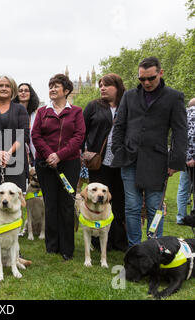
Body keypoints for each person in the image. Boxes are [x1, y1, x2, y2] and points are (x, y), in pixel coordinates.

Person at [111, 57, 187, 247]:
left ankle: (154, 248)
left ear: (160, 73)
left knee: (155, 207)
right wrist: (118, 150)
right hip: (129, 158)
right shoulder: (129, 96)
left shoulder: (174, 97)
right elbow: (119, 126)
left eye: (150, 78)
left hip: (157, 161)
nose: (146, 83)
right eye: (141, 79)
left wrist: (175, 161)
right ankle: (134, 248)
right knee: (132, 207)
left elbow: (180, 131)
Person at [32, 73, 85, 261]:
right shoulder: (42, 112)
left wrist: (59, 155)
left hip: (69, 163)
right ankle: (52, 246)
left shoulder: (76, 112)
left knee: (66, 204)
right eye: (50, 86)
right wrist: (49, 155)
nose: (52, 89)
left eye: (56, 86)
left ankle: (67, 247)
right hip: (45, 164)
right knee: (51, 203)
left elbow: (79, 136)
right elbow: (36, 136)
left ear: (66, 90)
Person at [83, 73, 128, 252]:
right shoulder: (93, 106)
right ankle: (99, 241)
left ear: (117, 87)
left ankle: (118, 240)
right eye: (100, 84)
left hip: (121, 161)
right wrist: (82, 152)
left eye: (107, 85)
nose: (102, 87)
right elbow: (82, 130)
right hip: (98, 162)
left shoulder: (127, 105)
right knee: (97, 200)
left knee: (119, 201)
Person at [0, 75, 29, 219]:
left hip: (15, 160)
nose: (3, 88)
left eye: (7, 86)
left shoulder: (20, 109)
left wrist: (8, 153)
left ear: (12, 89)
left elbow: (24, 134)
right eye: (1, 85)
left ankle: (11, 236)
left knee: (13, 202)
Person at [177, 97, 195, 224]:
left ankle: (181, 217)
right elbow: (191, 136)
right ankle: (192, 217)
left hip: (183, 157)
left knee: (183, 188)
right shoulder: (193, 115)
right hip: (191, 157)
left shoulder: (183, 114)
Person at [12, 83, 41, 165]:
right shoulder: (11, 113)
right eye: (20, 91)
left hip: (34, 154)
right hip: (16, 153)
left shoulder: (35, 115)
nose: (23, 93)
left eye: (26, 90)